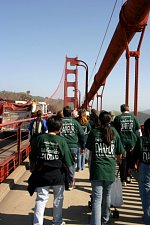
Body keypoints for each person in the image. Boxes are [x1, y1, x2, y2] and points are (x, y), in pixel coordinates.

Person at [27, 116, 74, 225]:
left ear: (47, 126)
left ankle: (37, 223)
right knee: (58, 199)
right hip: (58, 174)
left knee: (41, 199)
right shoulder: (61, 140)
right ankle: (57, 221)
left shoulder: (39, 138)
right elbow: (68, 160)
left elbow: (33, 156)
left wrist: (32, 167)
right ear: (59, 128)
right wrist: (71, 177)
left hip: (42, 173)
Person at [86, 110, 124, 225]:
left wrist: (90, 166)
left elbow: (90, 153)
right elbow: (119, 153)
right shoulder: (115, 133)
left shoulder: (94, 133)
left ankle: (96, 222)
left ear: (99, 121)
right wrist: (118, 163)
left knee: (97, 198)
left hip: (97, 169)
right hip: (110, 169)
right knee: (107, 196)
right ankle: (105, 219)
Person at [114, 104, 142, 186]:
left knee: (123, 161)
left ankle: (123, 179)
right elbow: (138, 131)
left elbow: (114, 131)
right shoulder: (133, 118)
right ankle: (129, 176)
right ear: (128, 109)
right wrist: (138, 141)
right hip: (132, 142)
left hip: (121, 142)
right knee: (131, 160)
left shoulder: (118, 118)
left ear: (121, 109)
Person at [60, 105, 85, 190]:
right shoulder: (75, 122)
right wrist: (82, 146)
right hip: (73, 146)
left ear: (63, 113)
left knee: (61, 164)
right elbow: (82, 135)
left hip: (61, 146)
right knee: (71, 164)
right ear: (71, 113)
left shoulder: (59, 121)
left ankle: (62, 182)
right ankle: (71, 182)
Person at [134, 118, 150, 225]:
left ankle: (147, 217)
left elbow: (137, 154)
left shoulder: (141, 139)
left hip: (145, 166)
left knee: (145, 194)